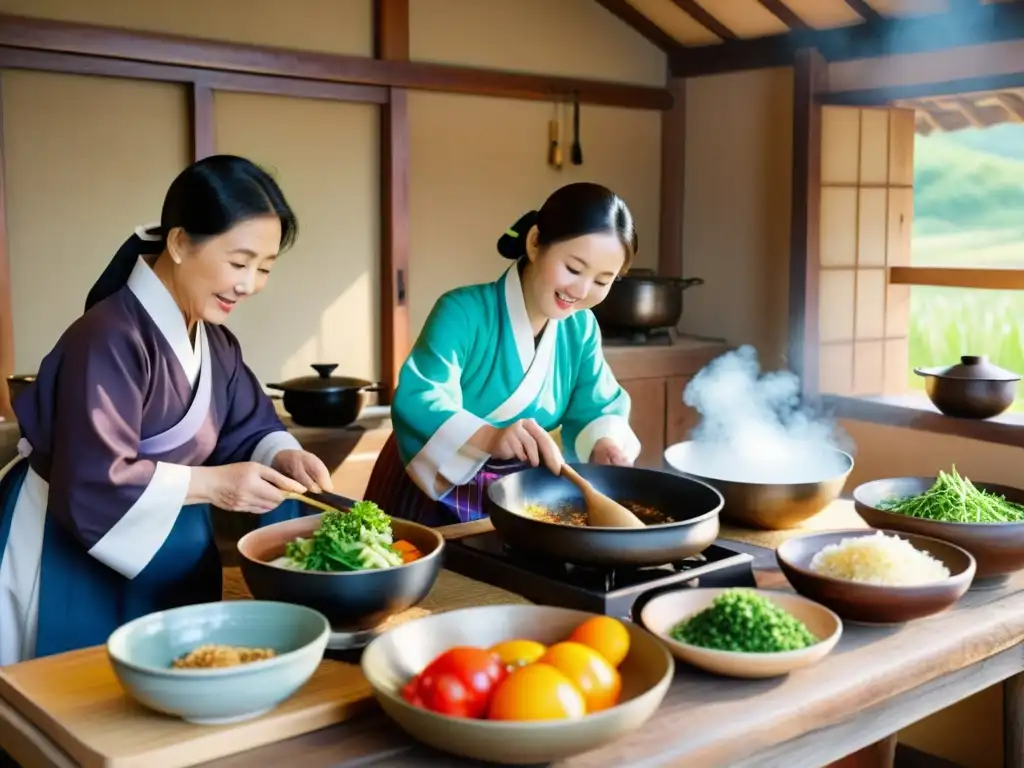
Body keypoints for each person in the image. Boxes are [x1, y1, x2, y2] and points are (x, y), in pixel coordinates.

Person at [0, 155, 334, 666]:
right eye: (239, 262)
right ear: (179, 244)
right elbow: (94, 478)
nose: (249, 284)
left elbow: (248, 426)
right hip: (71, 546)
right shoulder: (107, 336)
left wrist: (281, 454)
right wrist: (215, 485)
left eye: (265, 268)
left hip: (168, 551)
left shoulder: (215, 342)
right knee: (80, 704)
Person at [363, 182, 641, 527]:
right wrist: (491, 437)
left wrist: (604, 443)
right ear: (536, 242)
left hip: (520, 495)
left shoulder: (580, 329)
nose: (581, 291)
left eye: (602, 281)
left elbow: (597, 403)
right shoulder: (460, 311)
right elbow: (420, 397)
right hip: (433, 482)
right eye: (573, 269)